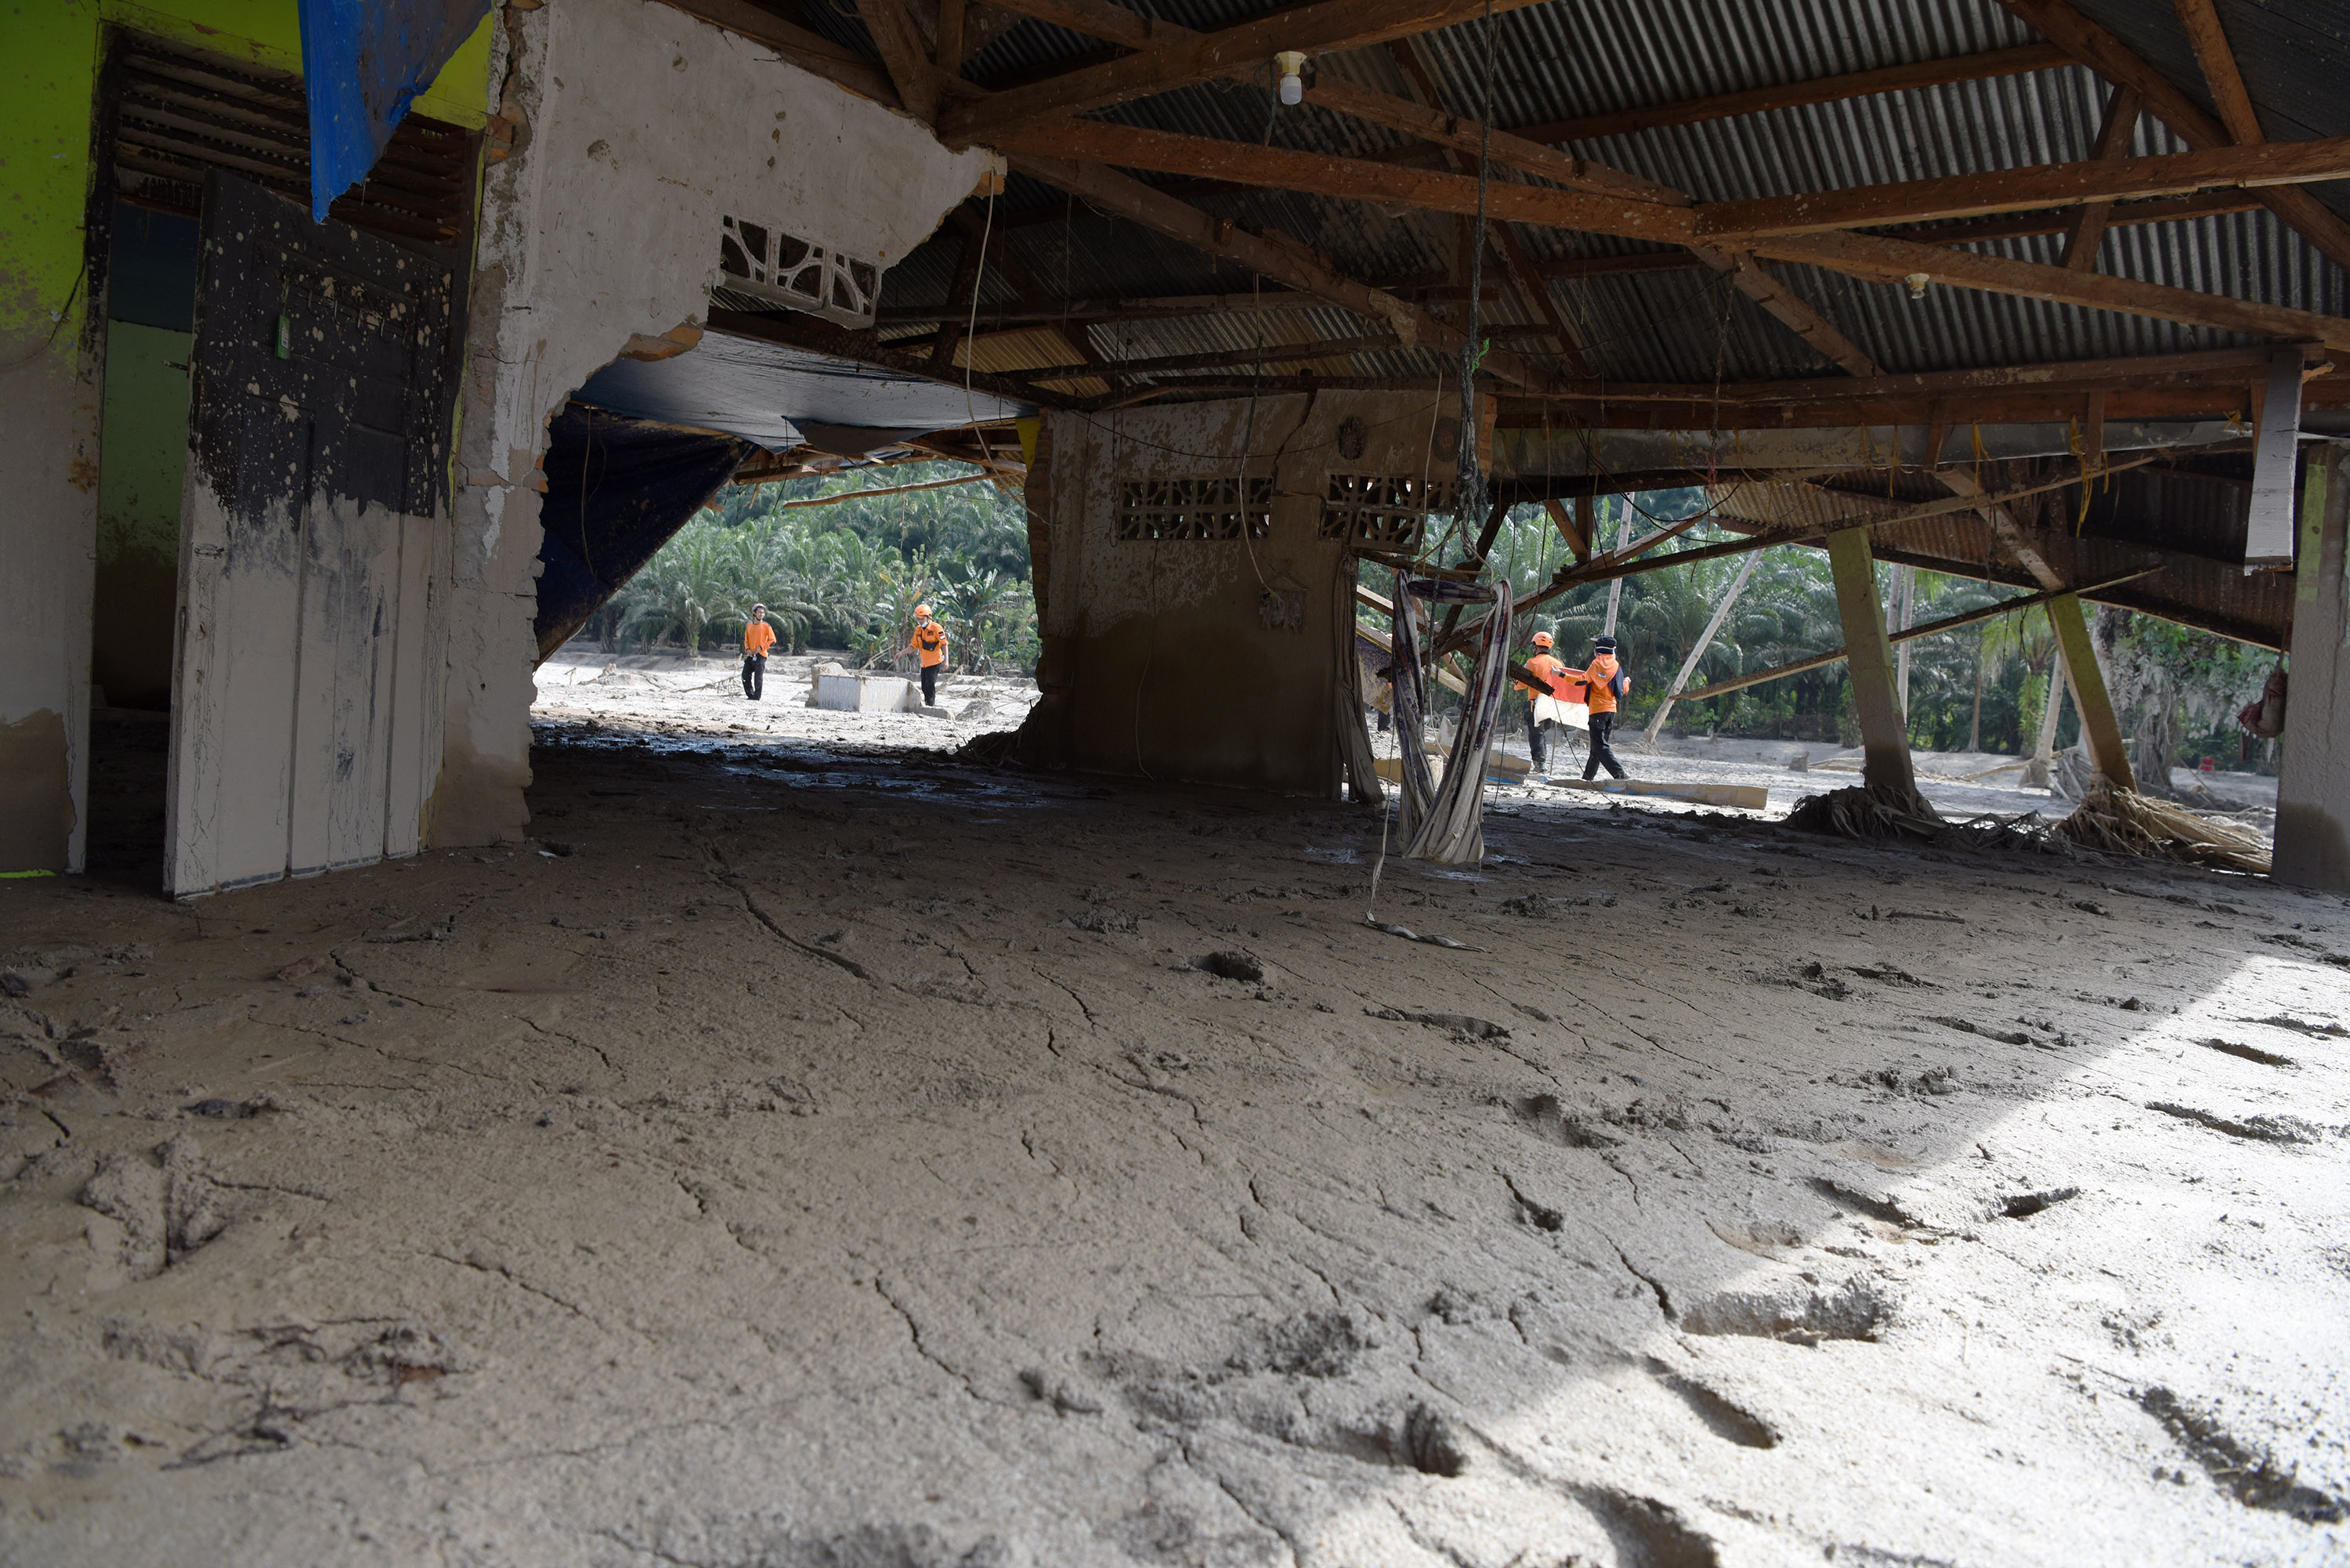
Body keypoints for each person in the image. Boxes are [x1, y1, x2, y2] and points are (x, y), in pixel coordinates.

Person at [1513, 630, 1571, 778]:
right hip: (1552, 706)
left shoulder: (1532, 663)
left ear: (1536, 646)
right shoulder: (1559, 664)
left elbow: (1522, 684)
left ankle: (1540, 764)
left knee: (1536, 735)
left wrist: (1515, 684)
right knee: (1541, 734)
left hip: (1535, 704)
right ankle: (1542, 762)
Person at [1579, 634, 1630, 781]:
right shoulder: (1616, 666)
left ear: (1598, 650)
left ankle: (1620, 774)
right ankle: (1587, 778)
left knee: (1599, 747)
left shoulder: (1597, 664)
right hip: (1611, 711)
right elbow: (1622, 690)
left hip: (1598, 712)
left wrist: (1562, 675)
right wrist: (1627, 682)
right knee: (1597, 747)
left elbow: (1583, 679)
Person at [909, 604, 949, 707]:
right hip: (925, 664)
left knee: (929, 685)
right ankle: (928, 704)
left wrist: (946, 660)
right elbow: (913, 646)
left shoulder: (936, 628)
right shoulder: (918, 630)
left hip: (936, 662)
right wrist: (901, 653)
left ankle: (930, 706)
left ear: (928, 617)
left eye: (922, 619)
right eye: (918, 619)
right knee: (923, 687)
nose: (920, 621)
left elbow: (944, 644)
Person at [741, 602, 776, 699]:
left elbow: (773, 640)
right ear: (754, 613)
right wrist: (747, 649)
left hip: (761, 655)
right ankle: (750, 695)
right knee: (745, 675)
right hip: (750, 655)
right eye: (759, 612)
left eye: (763, 613)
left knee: (758, 677)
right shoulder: (749, 626)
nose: (761, 614)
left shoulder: (766, 626)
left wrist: (761, 647)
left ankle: (757, 697)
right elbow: (746, 640)